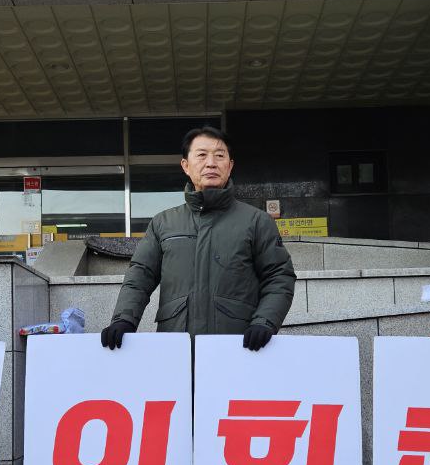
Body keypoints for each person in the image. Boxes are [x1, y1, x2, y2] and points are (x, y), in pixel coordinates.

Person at [102, 126, 296, 351]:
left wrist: (264, 321)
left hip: (237, 348)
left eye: (220, 155)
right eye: (202, 155)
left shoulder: (256, 221)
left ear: (230, 165)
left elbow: (279, 276)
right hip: (176, 349)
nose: (211, 163)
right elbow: (140, 276)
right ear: (186, 165)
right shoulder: (163, 223)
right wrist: (124, 319)